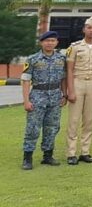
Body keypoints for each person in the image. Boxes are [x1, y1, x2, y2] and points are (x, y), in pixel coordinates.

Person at [21, 30, 67, 170]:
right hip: (38, 96)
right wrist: (26, 100)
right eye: (47, 41)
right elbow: (25, 80)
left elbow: (64, 79)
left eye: (53, 41)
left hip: (55, 96)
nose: (50, 43)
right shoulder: (33, 59)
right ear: (42, 42)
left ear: (57, 42)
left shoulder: (61, 59)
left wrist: (64, 95)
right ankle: (27, 158)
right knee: (33, 128)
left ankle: (47, 156)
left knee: (52, 128)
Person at [65, 14, 92, 165]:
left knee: (89, 120)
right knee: (74, 120)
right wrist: (70, 90)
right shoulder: (74, 47)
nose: (91, 30)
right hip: (77, 82)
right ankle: (71, 153)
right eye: (89, 27)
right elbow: (69, 70)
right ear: (84, 29)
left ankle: (85, 152)